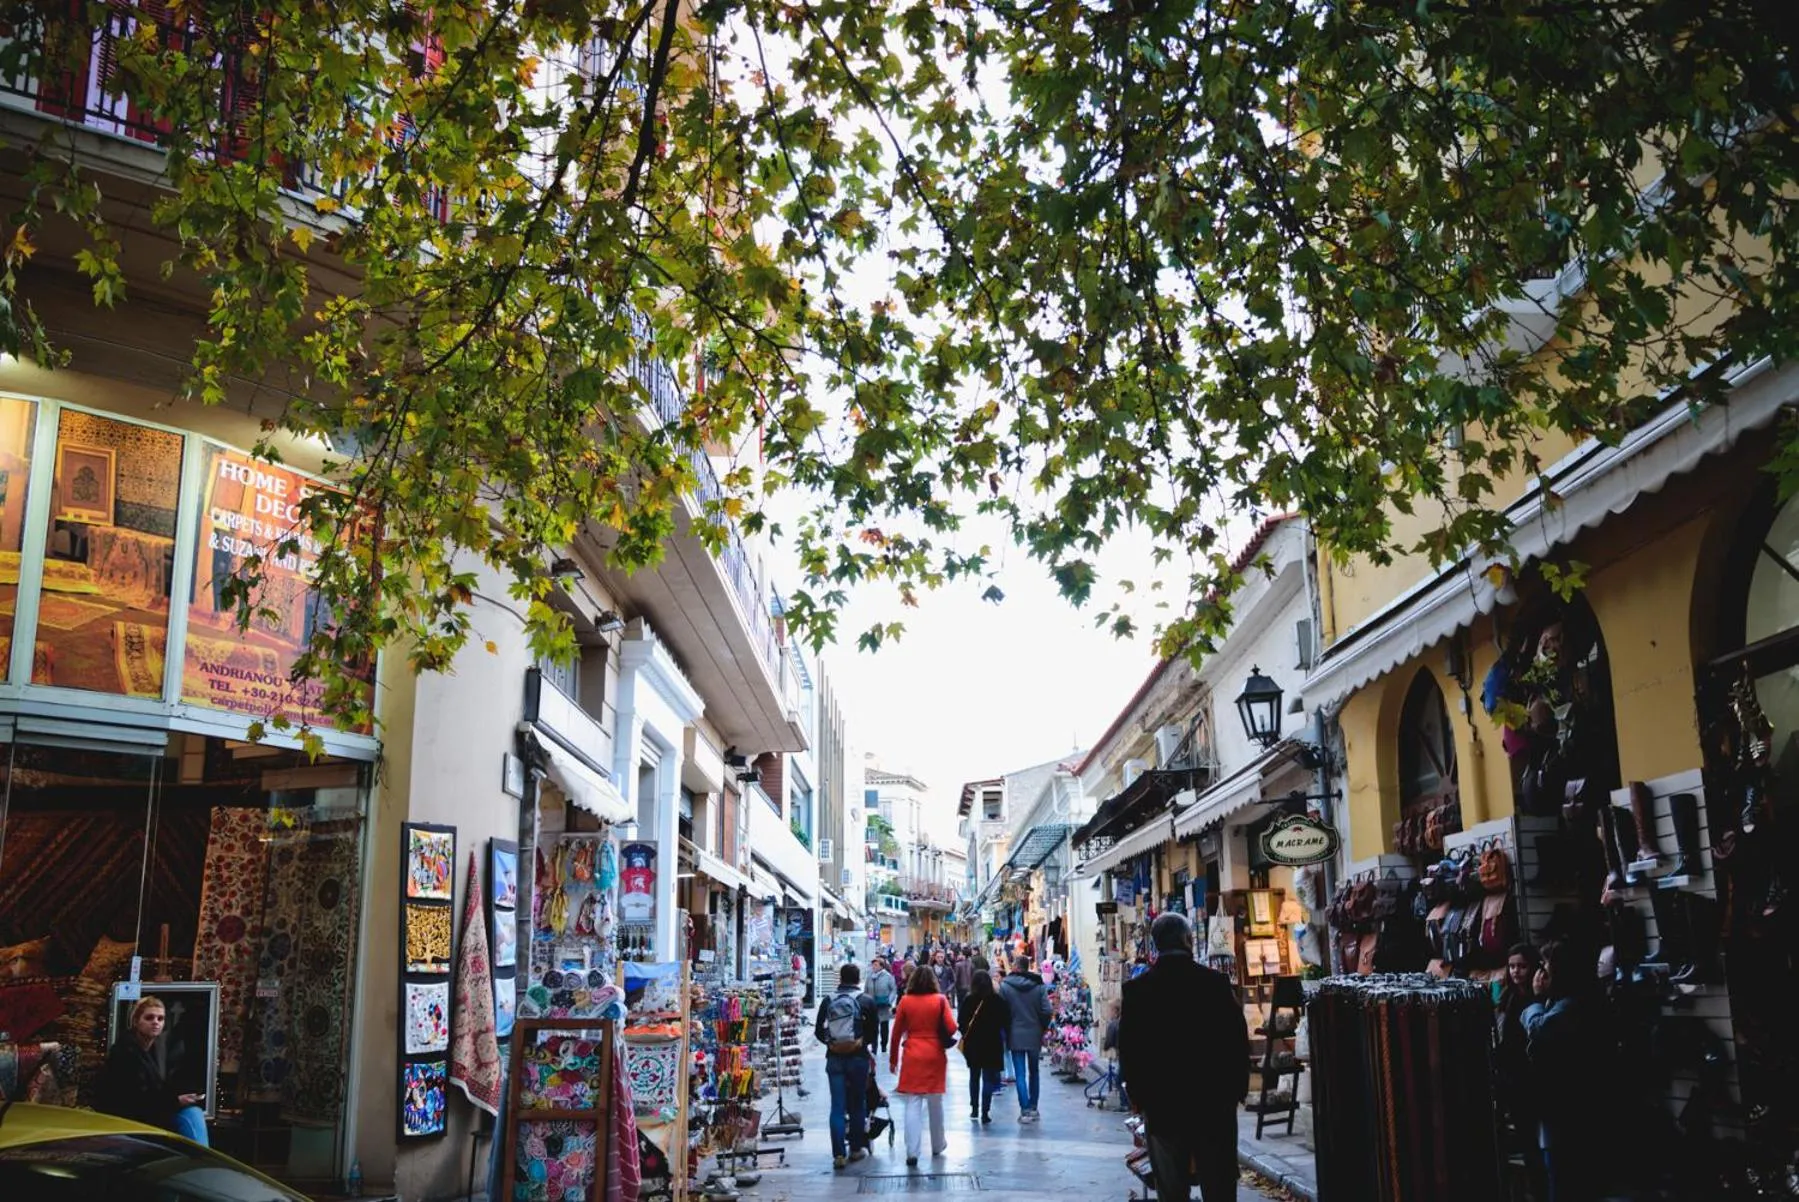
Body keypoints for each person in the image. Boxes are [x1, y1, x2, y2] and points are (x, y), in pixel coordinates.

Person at [1118, 912, 1247, 1202]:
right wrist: (1238, 1089)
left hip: (1162, 1105)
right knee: (1219, 1183)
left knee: (1171, 1187)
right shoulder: (1214, 984)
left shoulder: (1138, 992)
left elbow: (1129, 1049)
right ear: (1189, 941)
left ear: (1154, 946)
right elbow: (1237, 1039)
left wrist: (1138, 1097)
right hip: (1213, 1103)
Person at [1522, 939, 1615, 1202]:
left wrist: (1536, 1000)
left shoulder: (1570, 1006)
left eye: (1545, 964)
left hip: (1566, 1109)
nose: (1540, 971)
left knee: (1564, 1180)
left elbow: (1537, 1029)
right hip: (1569, 1108)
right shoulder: (1575, 1001)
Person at [95, 996, 209, 1145]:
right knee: (191, 1115)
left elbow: (158, 1089)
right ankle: (202, 1160)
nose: (156, 1022)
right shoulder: (125, 1052)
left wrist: (182, 1096)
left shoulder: (155, 1050)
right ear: (136, 1021)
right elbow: (134, 1099)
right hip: (129, 1118)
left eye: (160, 1019)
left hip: (151, 1113)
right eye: (149, 1018)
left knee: (193, 1113)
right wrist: (176, 1101)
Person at [889, 956, 957, 1167]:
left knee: (913, 1102)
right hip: (935, 1053)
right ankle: (937, 1144)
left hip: (912, 1053)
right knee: (935, 1102)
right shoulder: (940, 1000)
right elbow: (952, 1027)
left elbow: (896, 1033)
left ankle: (912, 1150)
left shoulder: (905, 1002)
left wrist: (893, 1060)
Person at [815, 963, 881, 1170]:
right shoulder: (866, 1001)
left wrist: (832, 1043)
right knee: (857, 1104)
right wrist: (860, 1043)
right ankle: (855, 1149)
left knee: (837, 1106)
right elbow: (874, 1032)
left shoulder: (828, 1000)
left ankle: (838, 1155)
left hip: (834, 1059)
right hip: (858, 1059)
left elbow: (818, 1030)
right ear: (858, 978)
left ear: (840, 978)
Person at [1495, 944, 1545, 1201]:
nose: (1516, 971)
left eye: (1522, 966)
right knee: (1528, 1142)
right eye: (1512, 966)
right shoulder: (1508, 997)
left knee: (1541, 1142)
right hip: (1515, 1079)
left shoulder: (1540, 999)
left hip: (1537, 1079)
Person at [997, 955, 1052, 1122]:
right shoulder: (1039, 985)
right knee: (1034, 1071)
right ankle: (1034, 1107)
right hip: (1034, 1033)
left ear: (1015, 967)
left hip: (1015, 1034)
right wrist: (1042, 1027)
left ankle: (1025, 1109)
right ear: (1028, 967)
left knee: (1019, 1073)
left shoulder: (1005, 987)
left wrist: (1007, 1029)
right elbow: (1047, 1011)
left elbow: (1002, 1013)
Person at [957, 968, 1010, 1123]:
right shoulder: (997, 1001)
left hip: (973, 1044)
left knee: (974, 1076)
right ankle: (985, 1112)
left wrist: (966, 1033)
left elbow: (961, 1021)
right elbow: (1005, 1021)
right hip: (992, 1044)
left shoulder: (969, 1000)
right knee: (988, 1078)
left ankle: (974, 1108)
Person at [868, 957, 899, 1055]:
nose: (874, 967)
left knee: (884, 1026)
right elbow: (865, 990)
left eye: (876, 965)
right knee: (873, 1027)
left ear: (881, 966)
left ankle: (884, 1046)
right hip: (872, 1005)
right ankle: (874, 1047)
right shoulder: (869, 977)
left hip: (884, 1005)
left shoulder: (888, 976)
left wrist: (889, 1000)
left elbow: (893, 989)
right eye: (873, 965)